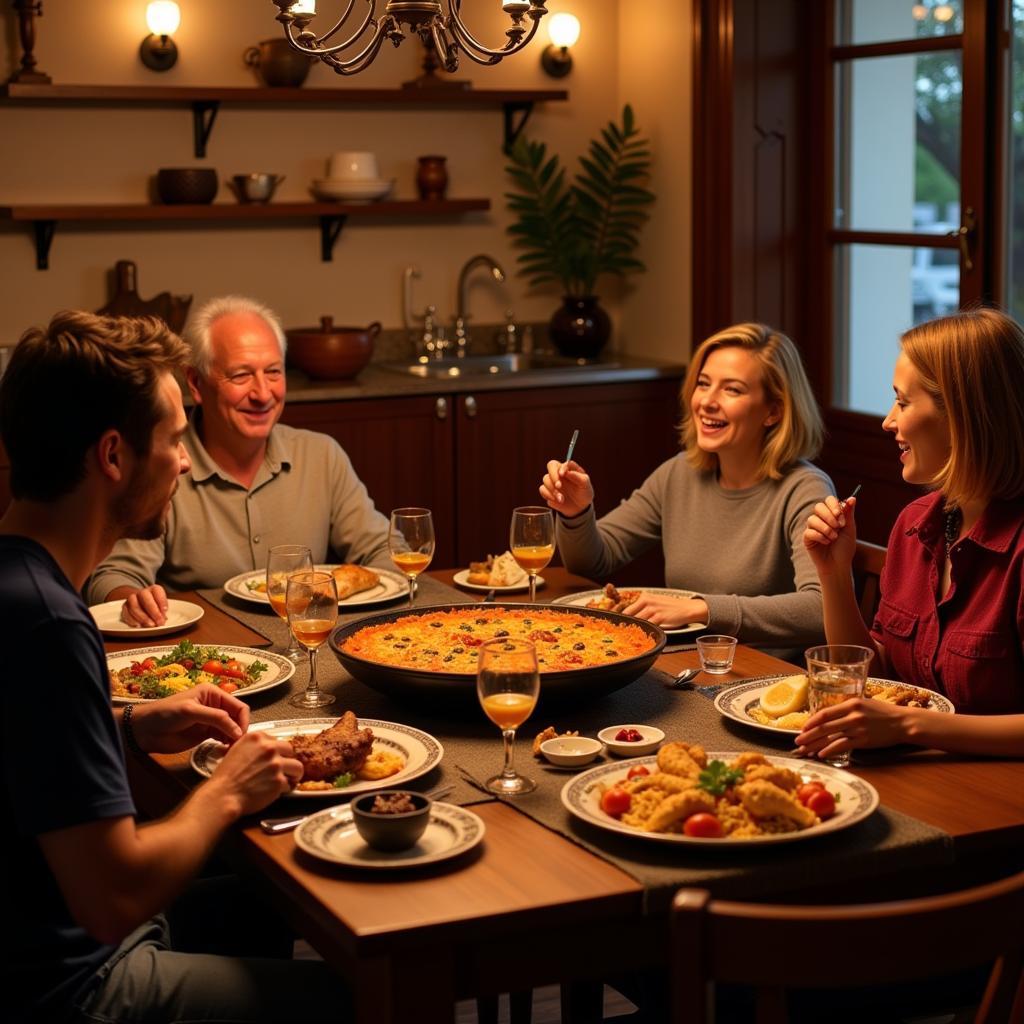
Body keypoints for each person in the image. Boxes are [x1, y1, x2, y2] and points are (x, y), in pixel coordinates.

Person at [1, 310, 348, 1023]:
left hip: (55, 926)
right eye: (174, 439)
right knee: (372, 998)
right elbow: (113, 899)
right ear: (112, 456)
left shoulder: (19, 579)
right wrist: (226, 789)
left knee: (262, 893)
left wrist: (126, 727)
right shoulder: (48, 625)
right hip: (74, 983)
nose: (187, 462)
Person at [85, 294, 391, 626]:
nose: (262, 394)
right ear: (195, 382)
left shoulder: (321, 455)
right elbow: (113, 577)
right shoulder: (164, 464)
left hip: (309, 643)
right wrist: (134, 601)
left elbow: (383, 550)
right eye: (241, 376)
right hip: (208, 658)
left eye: (273, 372)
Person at [800, 307, 1024, 759]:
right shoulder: (915, 523)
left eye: (902, 402)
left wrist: (909, 725)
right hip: (917, 777)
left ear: (963, 414)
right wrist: (833, 572)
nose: (888, 421)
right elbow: (878, 674)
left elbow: (900, 713)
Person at [539, 322, 832, 654]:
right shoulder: (679, 473)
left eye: (732, 389)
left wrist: (702, 608)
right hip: (686, 663)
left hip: (764, 681)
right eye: (703, 384)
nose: (707, 401)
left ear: (774, 411)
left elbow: (821, 608)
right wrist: (577, 512)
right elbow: (593, 562)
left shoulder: (805, 489)